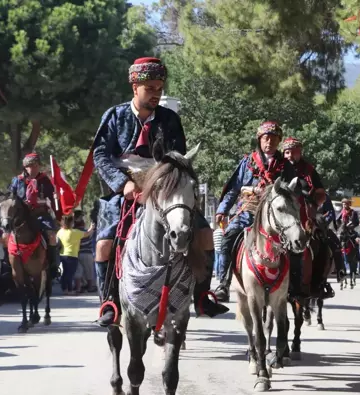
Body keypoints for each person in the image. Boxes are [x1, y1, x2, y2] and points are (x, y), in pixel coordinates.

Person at [93, 57, 227, 326]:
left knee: (204, 235)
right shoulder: (114, 116)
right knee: (104, 245)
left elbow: (177, 159)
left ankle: (202, 296)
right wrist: (123, 184)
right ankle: (110, 302)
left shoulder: (170, 119)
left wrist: (161, 184)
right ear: (135, 88)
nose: (156, 94)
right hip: (124, 189)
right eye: (151, 88)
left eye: (159, 88)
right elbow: (100, 155)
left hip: (164, 188)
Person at [214, 121, 296, 302]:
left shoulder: (285, 166)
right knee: (228, 238)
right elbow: (233, 189)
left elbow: (293, 191)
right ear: (259, 140)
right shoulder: (247, 162)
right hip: (247, 213)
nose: (270, 142)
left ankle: (294, 287)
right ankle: (223, 284)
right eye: (266, 138)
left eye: (274, 139)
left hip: (275, 217)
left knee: (295, 242)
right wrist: (223, 209)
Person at [281, 137, 344, 295]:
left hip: (308, 212)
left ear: (299, 153)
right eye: (287, 152)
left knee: (326, 238)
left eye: (293, 152)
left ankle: (322, 280)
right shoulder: (278, 168)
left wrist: (314, 205)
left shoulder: (309, 169)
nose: (290, 155)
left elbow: (321, 192)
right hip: (285, 213)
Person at [8, 153, 60, 277]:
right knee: (6, 236)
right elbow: (11, 197)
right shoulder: (17, 180)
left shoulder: (44, 180)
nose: (34, 168)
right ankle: (8, 264)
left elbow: (50, 199)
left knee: (52, 236)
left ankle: (53, 265)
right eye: (31, 166)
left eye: (36, 166)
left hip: (40, 214)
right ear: (25, 167)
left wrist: (55, 198)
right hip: (21, 216)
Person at [57, 215, 95, 295]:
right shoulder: (74, 232)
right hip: (72, 255)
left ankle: (65, 289)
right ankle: (70, 290)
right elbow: (87, 234)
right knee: (70, 274)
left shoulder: (60, 232)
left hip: (62, 255)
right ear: (71, 223)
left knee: (65, 273)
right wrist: (92, 227)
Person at [74, 211, 96, 293]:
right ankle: (90, 287)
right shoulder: (86, 231)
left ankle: (78, 287)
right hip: (87, 253)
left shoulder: (73, 232)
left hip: (77, 253)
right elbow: (91, 234)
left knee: (78, 271)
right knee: (89, 271)